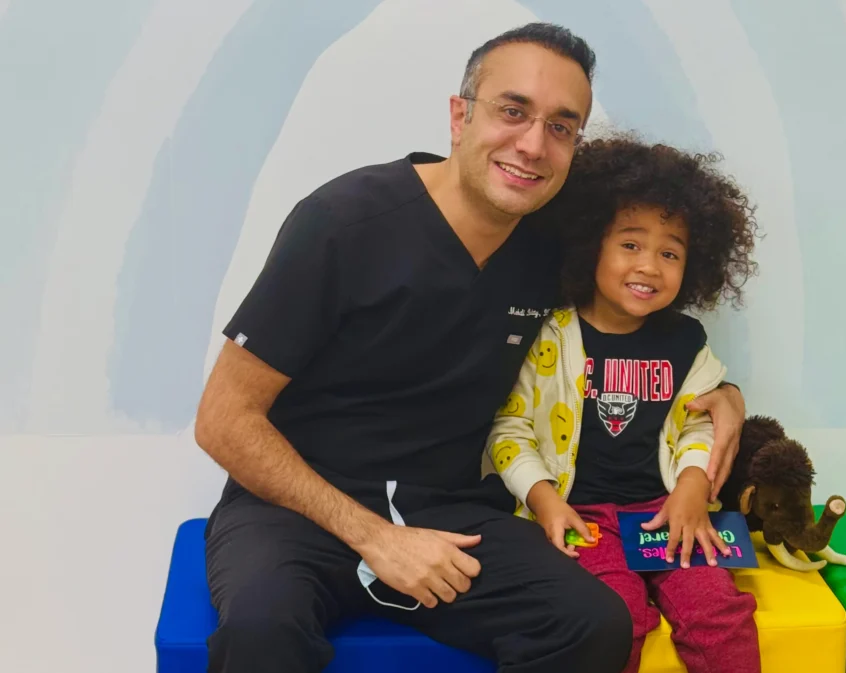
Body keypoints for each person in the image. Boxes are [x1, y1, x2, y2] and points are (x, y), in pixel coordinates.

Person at [194, 22, 748, 673]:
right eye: (513, 111)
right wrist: (378, 538)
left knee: (593, 622)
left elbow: (629, 328)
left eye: (562, 126)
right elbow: (223, 419)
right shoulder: (343, 223)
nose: (533, 144)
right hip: (293, 509)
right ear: (459, 116)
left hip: (449, 509)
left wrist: (725, 395)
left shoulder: (553, 248)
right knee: (264, 631)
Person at [484, 136, 761, 673]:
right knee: (614, 617)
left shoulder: (686, 342)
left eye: (670, 253)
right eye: (630, 244)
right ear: (592, 246)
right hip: (581, 518)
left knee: (719, 611)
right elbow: (509, 428)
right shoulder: (550, 336)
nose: (650, 267)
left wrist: (690, 488)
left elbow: (700, 427)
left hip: (666, 513)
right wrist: (543, 500)